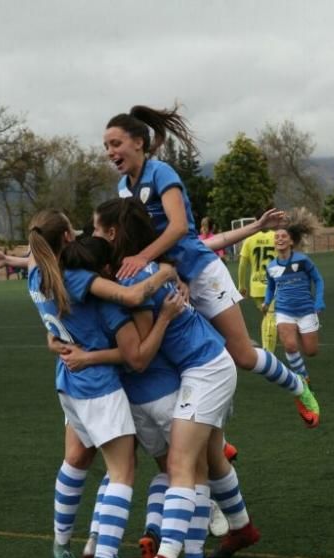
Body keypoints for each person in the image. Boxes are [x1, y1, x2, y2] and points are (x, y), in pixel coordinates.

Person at [66, 200, 262, 558]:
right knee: (199, 462)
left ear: (111, 234)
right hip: (195, 369)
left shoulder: (130, 278)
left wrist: (87, 357)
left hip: (207, 369)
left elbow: (136, 355)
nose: (91, 235)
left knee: (180, 465)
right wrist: (168, 273)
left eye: (94, 228)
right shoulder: (136, 271)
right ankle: (209, 548)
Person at [103, 104, 320, 427]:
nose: (110, 152)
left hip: (202, 274)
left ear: (138, 142)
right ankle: (213, 443)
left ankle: (299, 386)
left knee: (242, 356)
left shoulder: (162, 173)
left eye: (115, 144)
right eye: (106, 146)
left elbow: (178, 228)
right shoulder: (123, 189)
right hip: (169, 279)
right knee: (177, 359)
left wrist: (143, 258)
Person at [22, 209, 179, 558]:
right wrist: (165, 270)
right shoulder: (78, 280)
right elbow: (132, 296)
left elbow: (51, 333)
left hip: (69, 382)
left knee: (76, 460)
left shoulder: (35, 273)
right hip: (97, 388)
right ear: (67, 240)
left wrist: (56, 344)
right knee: (123, 471)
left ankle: (67, 547)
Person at [262, 211, 325, 386]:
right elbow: (271, 286)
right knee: (289, 346)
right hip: (283, 311)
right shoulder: (272, 266)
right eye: (276, 237)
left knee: (311, 351)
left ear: (291, 241)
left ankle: (300, 330)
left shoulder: (303, 261)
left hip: (306, 310)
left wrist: (319, 301)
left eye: (283, 236)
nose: (279, 239)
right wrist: (267, 302)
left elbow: (318, 280)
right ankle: (303, 378)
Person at [238, 225, 278, 352]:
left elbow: (242, 264)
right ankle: (269, 352)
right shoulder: (276, 236)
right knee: (271, 317)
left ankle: (266, 347)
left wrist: (241, 284)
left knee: (266, 316)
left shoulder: (249, 240)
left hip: (256, 285)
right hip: (274, 284)